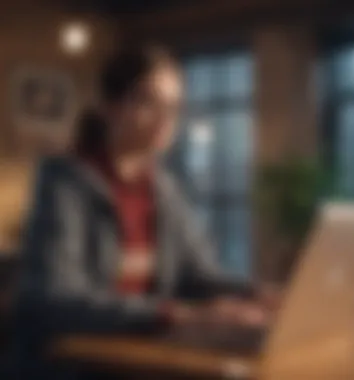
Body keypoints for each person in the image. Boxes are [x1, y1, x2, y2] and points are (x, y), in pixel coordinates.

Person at [12, 45, 267, 378]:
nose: (166, 118)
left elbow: (199, 277)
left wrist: (258, 294)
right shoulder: (65, 182)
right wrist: (176, 314)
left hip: (134, 356)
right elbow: (55, 298)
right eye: (149, 101)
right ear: (110, 107)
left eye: (174, 107)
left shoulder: (165, 189)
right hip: (67, 364)